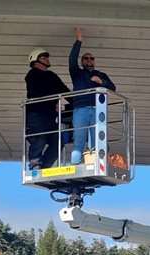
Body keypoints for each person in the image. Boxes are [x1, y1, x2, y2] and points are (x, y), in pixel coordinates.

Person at [69, 27, 116, 164]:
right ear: (82, 61)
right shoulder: (77, 73)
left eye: (91, 58)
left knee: (97, 142)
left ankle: (94, 166)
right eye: (86, 58)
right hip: (81, 109)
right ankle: (75, 167)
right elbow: (72, 60)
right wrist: (79, 41)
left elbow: (112, 88)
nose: (89, 60)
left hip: (97, 110)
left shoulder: (101, 74)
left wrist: (101, 82)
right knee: (79, 141)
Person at [25, 48, 71, 170]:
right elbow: (37, 92)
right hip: (36, 115)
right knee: (39, 138)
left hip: (50, 116)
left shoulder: (52, 76)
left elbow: (65, 91)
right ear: (35, 61)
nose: (47, 59)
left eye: (47, 57)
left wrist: (77, 103)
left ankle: (44, 168)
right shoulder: (32, 75)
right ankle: (35, 165)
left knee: (58, 141)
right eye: (43, 57)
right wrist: (55, 99)